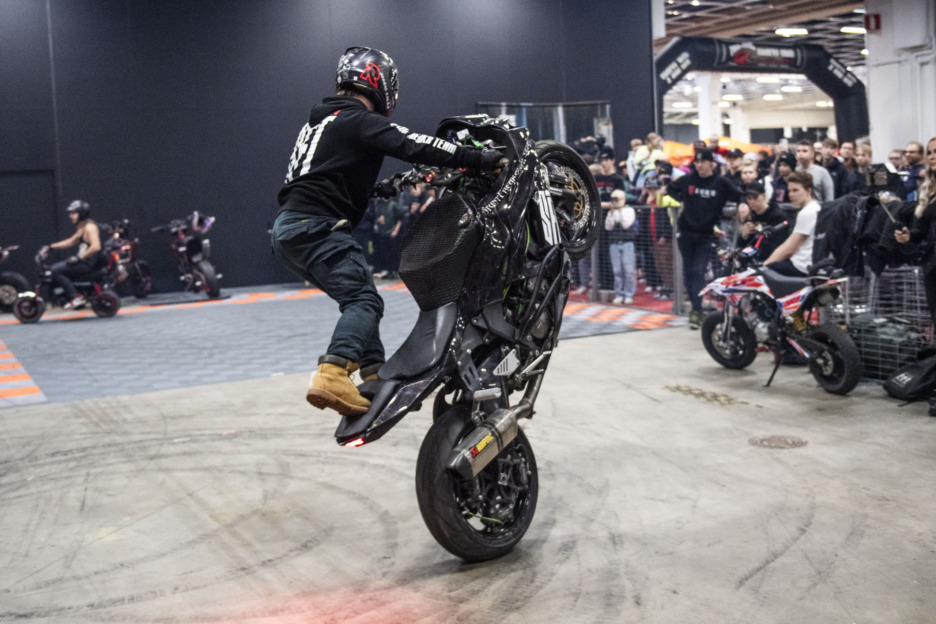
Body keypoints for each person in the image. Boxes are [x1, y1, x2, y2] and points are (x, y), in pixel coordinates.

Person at [271, 46, 502, 417]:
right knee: (365, 302)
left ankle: (374, 372)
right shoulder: (359, 120)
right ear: (379, 82)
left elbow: (324, 174)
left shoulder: (321, 122)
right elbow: (414, 143)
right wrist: (476, 159)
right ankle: (332, 374)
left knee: (361, 295)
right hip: (316, 226)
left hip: (290, 229)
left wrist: (377, 188)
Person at [666, 148, 743, 329]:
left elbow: (739, 194)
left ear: (712, 164)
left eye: (703, 162)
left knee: (698, 270)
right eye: (697, 162)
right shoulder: (687, 180)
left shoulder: (720, 183)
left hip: (706, 235)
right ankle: (696, 309)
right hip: (686, 232)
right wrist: (681, 199)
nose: (699, 165)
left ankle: (696, 309)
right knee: (689, 271)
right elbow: (670, 188)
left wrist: (743, 205)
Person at [894, 137, 936, 328]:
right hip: (932, 263)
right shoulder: (929, 189)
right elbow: (922, 229)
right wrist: (908, 235)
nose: (932, 156)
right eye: (930, 152)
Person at [44, 200, 104, 310]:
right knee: (56, 268)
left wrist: (79, 258)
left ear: (82, 214)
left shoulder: (90, 227)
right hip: (83, 262)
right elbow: (71, 241)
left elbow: (96, 246)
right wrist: (51, 246)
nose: (70, 216)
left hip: (87, 264)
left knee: (55, 270)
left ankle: (75, 296)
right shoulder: (83, 226)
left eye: (73, 213)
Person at [763, 171, 820, 277]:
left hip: (800, 266)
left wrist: (765, 265)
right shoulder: (816, 207)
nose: (791, 195)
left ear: (808, 191)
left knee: (762, 274)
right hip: (808, 264)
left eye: (795, 190)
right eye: (789, 191)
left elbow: (789, 248)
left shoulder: (807, 212)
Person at [737, 182, 790, 261]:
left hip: (771, 257)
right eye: (749, 198)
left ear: (764, 196)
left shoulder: (777, 216)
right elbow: (740, 245)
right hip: (752, 257)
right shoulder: (750, 217)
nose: (752, 201)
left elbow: (779, 243)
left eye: (755, 198)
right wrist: (744, 235)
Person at [604, 189, 638, 304]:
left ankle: (629, 294)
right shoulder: (611, 212)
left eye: (617, 199)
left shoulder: (629, 210)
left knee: (629, 270)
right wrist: (612, 212)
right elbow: (608, 227)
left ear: (623, 199)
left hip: (627, 243)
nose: (615, 201)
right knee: (617, 270)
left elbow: (626, 224)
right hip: (614, 243)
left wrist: (619, 210)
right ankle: (619, 293)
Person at [795, 139, 834, 204]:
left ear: (812, 154)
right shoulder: (795, 171)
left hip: (818, 208)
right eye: (798, 151)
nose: (800, 154)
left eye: (805, 151)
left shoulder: (822, 172)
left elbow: (829, 198)